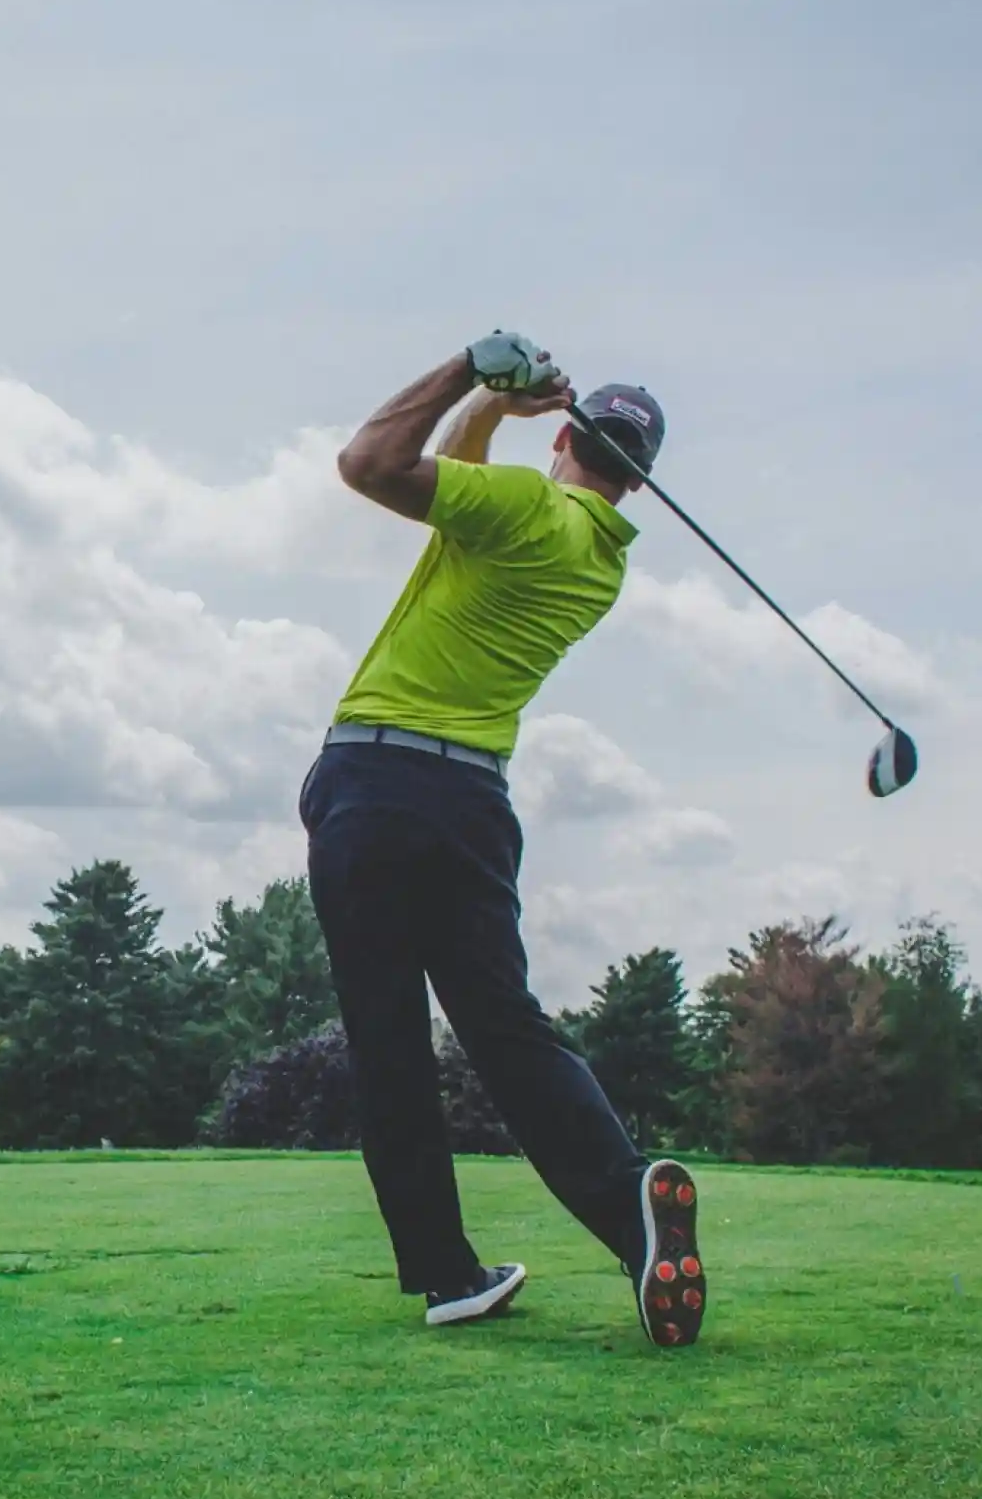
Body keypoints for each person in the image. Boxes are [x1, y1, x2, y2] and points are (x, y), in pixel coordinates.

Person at [300, 329, 706, 1348]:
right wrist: (491, 409)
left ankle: (445, 1272)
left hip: (376, 783)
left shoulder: (524, 507)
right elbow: (461, 480)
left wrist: (463, 369)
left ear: (564, 437)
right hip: (472, 804)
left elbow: (369, 464)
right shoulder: (594, 553)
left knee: (389, 1040)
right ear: (639, 485)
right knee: (507, 1030)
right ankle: (629, 1214)